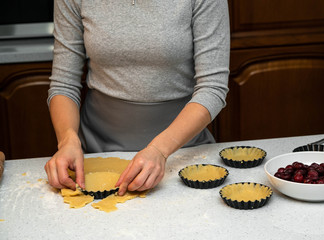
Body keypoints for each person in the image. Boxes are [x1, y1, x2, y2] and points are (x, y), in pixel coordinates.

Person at [44, 0, 230, 196]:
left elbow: (212, 87)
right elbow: (64, 83)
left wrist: (160, 150)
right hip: (97, 150)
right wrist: (67, 141)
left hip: (182, 152)